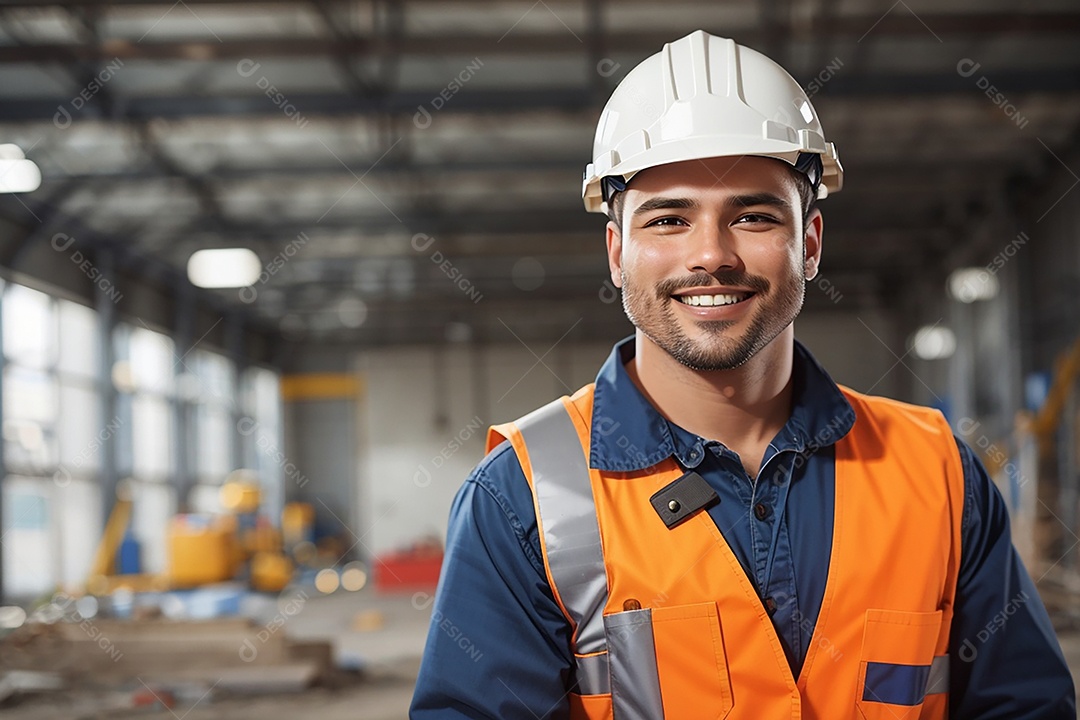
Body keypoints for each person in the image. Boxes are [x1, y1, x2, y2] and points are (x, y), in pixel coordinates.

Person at [409, 30, 1076, 719]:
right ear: (616, 253)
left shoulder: (935, 469)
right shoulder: (525, 497)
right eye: (668, 219)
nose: (711, 255)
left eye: (753, 215)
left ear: (809, 243)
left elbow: (1024, 706)